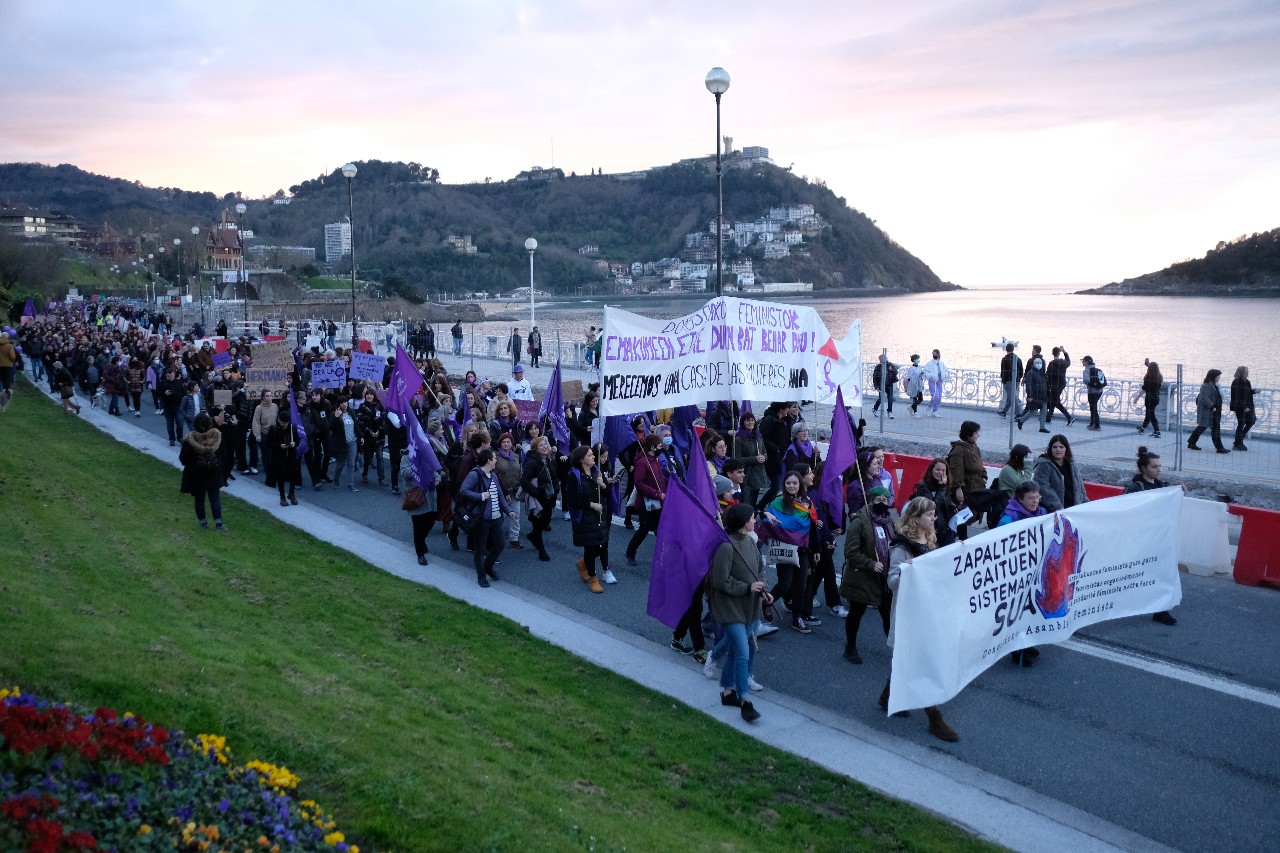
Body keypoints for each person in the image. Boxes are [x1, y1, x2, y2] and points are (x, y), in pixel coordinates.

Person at [884, 496, 959, 742]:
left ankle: (888, 695)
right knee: (924, 664)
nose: (933, 518)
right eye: (929, 515)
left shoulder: (929, 539)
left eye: (934, 514)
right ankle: (934, 717)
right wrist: (910, 570)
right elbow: (892, 582)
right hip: (910, 614)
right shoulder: (901, 546)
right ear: (915, 519)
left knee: (911, 659)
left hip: (927, 610)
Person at [708, 503, 769, 724]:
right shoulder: (726, 547)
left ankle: (727, 692)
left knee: (735, 649)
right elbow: (720, 581)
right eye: (753, 518)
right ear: (744, 522)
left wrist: (764, 590)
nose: (755, 521)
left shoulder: (751, 542)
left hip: (750, 607)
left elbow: (759, 572)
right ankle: (744, 700)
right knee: (742, 652)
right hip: (731, 607)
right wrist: (746, 588)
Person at [1123, 446, 1179, 625]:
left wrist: (1179, 490)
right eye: (1154, 467)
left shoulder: (1163, 487)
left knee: (1160, 574)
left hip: (1158, 539)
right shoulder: (1135, 488)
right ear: (1143, 469)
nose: (1158, 469)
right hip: (1141, 540)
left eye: (1159, 466)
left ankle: (1160, 609)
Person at [841, 486, 895, 663]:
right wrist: (870, 564)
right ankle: (850, 647)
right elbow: (851, 552)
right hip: (863, 577)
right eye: (878, 499)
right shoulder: (860, 522)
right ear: (870, 501)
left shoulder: (889, 522)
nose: (882, 503)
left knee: (888, 616)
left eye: (885, 500)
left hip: (884, 579)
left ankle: (898, 653)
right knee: (856, 613)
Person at [762, 470, 817, 634]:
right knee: (785, 584)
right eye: (788, 483)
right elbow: (764, 516)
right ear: (784, 486)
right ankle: (767, 603)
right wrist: (766, 516)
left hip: (803, 549)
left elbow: (811, 528)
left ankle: (797, 618)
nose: (791, 486)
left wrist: (816, 549)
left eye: (794, 483)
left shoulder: (807, 502)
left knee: (801, 586)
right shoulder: (778, 502)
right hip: (785, 548)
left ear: (800, 484)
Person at [458, 448, 515, 588]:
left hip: (496, 517)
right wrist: (481, 496)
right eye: (495, 458)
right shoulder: (475, 474)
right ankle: (481, 575)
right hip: (482, 518)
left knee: (500, 544)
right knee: (480, 548)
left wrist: (509, 511)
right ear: (488, 460)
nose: (496, 460)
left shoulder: (493, 475)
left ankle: (488, 567)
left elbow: (500, 495)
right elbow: (463, 490)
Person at [564, 444, 611, 593]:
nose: (593, 457)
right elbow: (571, 500)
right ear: (581, 459)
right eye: (590, 455)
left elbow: (608, 494)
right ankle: (593, 578)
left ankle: (584, 564)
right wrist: (591, 505)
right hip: (585, 516)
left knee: (600, 545)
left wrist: (603, 485)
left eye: (592, 454)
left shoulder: (597, 472)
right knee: (591, 547)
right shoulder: (574, 475)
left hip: (599, 515)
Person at [179, 412, 226, 532]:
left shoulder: (190, 440)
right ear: (209, 423)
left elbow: (183, 459)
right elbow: (223, 457)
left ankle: (203, 523)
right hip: (213, 473)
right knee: (214, 498)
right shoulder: (216, 438)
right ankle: (219, 524)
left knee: (199, 499)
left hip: (196, 474)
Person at [626, 434, 667, 568]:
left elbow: (660, 479)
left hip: (658, 502)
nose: (662, 448)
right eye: (660, 446)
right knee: (643, 530)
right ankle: (630, 552)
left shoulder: (656, 460)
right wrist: (656, 493)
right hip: (646, 504)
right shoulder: (643, 463)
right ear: (653, 447)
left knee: (661, 529)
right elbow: (639, 483)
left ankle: (663, 555)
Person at [520, 435, 558, 561]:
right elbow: (524, 481)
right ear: (535, 449)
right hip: (538, 498)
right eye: (540, 445)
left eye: (545, 444)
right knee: (538, 523)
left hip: (549, 496)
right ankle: (541, 550)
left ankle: (532, 536)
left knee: (546, 521)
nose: (544, 447)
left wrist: (556, 488)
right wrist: (536, 492)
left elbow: (554, 476)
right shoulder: (532, 462)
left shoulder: (549, 460)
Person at [1033, 434, 1088, 513]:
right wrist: (1058, 508)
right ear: (1050, 449)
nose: (1058, 450)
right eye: (1054, 447)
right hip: (1054, 511)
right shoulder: (1044, 465)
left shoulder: (1072, 465)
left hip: (1074, 510)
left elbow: (1080, 488)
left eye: (1061, 447)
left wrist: (1086, 504)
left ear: (1066, 449)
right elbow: (1044, 489)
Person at [913, 458, 959, 546]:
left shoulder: (943, 483)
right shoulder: (923, 486)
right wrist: (942, 488)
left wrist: (954, 506)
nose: (940, 473)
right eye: (938, 469)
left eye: (943, 470)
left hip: (946, 527)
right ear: (931, 469)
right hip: (932, 527)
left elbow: (947, 501)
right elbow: (932, 507)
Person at [728, 411, 768, 508]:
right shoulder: (739, 439)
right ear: (743, 422)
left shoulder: (758, 436)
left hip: (758, 474)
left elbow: (764, 451)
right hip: (747, 475)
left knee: (754, 499)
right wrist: (755, 459)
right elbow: (737, 459)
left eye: (752, 420)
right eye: (747, 420)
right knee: (747, 501)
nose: (750, 422)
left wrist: (764, 457)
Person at [1188, 369, 1230, 453]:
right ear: (1214, 376)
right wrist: (1212, 406)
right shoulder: (1206, 385)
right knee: (1209, 428)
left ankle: (1191, 442)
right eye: (1218, 376)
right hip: (1209, 411)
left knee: (1206, 427)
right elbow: (1204, 398)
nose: (1219, 377)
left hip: (1216, 410)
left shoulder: (1216, 385)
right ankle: (1219, 448)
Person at [267, 407, 302, 506]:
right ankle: (282, 496)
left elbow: (298, 440)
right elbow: (268, 443)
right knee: (281, 476)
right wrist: (279, 446)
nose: (285, 425)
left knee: (293, 475)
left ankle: (291, 494)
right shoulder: (273, 428)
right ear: (279, 420)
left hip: (290, 455)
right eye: (283, 423)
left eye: (286, 423)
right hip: (279, 457)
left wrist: (294, 443)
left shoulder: (292, 428)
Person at [329, 398, 360, 491]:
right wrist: (336, 417)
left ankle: (350, 484)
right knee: (341, 463)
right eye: (342, 403)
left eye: (345, 402)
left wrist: (361, 436)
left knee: (351, 463)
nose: (345, 404)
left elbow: (356, 425)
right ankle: (336, 479)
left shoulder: (351, 412)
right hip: (341, 442)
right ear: (338, 404)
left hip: (352, 441)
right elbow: (331, 427)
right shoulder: (334, 414)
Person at [1016, 357, 1050, 433]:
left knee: (1044, 411)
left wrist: (1047, 393)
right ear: (1034, 364)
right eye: (1037, 363)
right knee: (1033, 411)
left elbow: (1045, 384)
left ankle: (1042, 427)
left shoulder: (1042, 374)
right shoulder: (1030, 373)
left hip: (1043, 395)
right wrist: (1030, 395)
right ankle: (1021, 420)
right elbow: (1028, 385)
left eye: (1040, 363)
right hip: (1035, 395)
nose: (1039, 365)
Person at [1044, 346, 1073, 425]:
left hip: (1053, 385)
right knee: (1053, 400)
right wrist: (1064, 351)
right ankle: (1048, 418)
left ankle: (1069, 418)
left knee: (1056, 402)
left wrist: (1046, 384)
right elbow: (1068, 361)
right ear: (1059, 353)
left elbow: (1048, 375)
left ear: (1052, 353)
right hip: (1062, 384)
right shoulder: (1063, 363)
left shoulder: (1051, 363)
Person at [1229, 365, 1255, 451]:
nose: (1247, 374)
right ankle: (1237, 444)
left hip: (1248, 406)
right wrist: (1243, 407)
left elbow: (1248, 392)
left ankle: (1238, 440)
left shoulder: (1247, 381)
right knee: (1241, 423)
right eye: (1246, 372)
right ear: (1242, 373)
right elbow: (1236, 397)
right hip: (1240, 407)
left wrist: (1254, 391)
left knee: (1251, 421)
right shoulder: (1236, 382)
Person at [1136, 361, 1163, 438]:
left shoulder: (1147, 378)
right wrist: (1148, 365)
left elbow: (1144, 389)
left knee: (1151, 415)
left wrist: (1137, 398)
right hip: (1156, 398)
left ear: (1149, 369)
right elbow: (1153, 369)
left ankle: (1157, 431)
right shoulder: (1159, 377)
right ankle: (1142, 428)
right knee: (1149, 414)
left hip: (1149, 398)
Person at [997, 343, 1024, 418]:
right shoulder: (1018, 359)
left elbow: (1003, 371)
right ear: (1013, 349)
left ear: (1006, 349)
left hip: (1008, 380)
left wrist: (1004, 381)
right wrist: (1018, 378)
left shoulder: (1005, 359)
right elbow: (1021, 370)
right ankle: (1004, 411)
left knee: (1012, 397)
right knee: (1011, 396)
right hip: (1016, 380)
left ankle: (1018, 413)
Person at [1081, 355, 1107, 430]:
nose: (1082, 362)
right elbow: (1103, 381)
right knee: (1093, 406)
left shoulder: (1086, 371)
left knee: (1093, 407)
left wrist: (1090, 383)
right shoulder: (1099, 370)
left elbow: (1086, 380)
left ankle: (1097, 425)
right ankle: (1092, 423)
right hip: (1100, 391)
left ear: (1086, 362)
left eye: (1083, 361)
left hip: (1092, 391)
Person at [922, 349, 949, 417]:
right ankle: (929, 407)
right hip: (933, 381)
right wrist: (931, 376)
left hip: (939, 381)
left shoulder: (941, 363)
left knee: (939, 397)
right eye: (933, 354)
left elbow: (946, 370)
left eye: (936, 354)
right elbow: (925, 372)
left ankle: (935, 411)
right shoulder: (929, 363)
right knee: (935, 396)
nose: (934, 355)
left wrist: (944, 375)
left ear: (939, 354)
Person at [871, 354, 897, 418]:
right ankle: (875, 409)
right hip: (881, 385)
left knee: (890, 398)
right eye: (881, 359)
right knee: (881, 398)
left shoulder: (890, 365)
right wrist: (876, 386)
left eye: (884, 358)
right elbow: (875, 377)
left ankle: (889, 412)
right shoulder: (878, 367)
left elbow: (896, 372)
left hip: (889, 384)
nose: (882, 360)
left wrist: (892, 370)